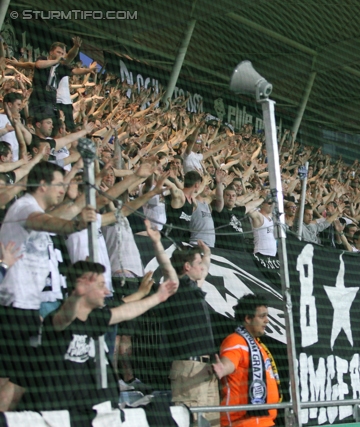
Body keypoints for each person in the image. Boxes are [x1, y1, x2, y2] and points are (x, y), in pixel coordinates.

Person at [0, 161, 96, 411]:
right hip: (12, 308)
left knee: (21, 378)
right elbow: (43, 222)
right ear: (42, 185)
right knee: (8, 377)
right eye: (59, 184)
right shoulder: (24, 207)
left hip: (29, 308)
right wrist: (76, 226)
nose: (63, 189)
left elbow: (73, 208)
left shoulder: (39, 209)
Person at [42, 261, 177, 426]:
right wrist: (77, 295)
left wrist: (158, 297)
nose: (106, 291)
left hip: (96, 415)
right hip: (65, 417)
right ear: (82, 287)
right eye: (101, 285)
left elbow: (125, 310)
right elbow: (65, 316)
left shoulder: (94, 320)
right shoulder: (59, 321)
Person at [161, 229, 220, 425]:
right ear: (187, 266)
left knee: (212, 422)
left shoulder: (193, 288)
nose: (202, 267)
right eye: (198, 263)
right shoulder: (176, 288)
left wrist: (207, 255)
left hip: (206, 367)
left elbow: (203, 273)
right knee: (194, 422)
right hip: (189, 369)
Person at [211, 294, 281, 427]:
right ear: (248, 318)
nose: (267, 321)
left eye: (267, 316)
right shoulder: (235, 341)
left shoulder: (258, 345)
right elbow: (229, 361)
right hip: (244, 423)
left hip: (264, 421)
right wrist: (223, 368)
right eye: (262, 316)